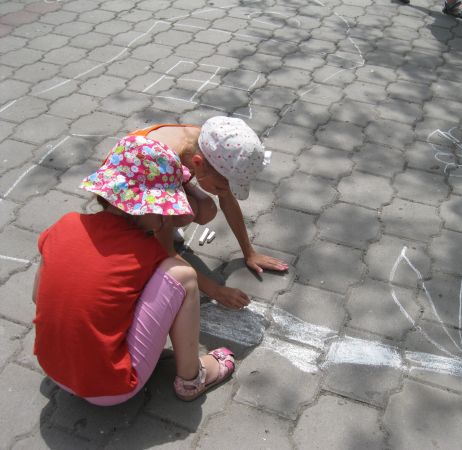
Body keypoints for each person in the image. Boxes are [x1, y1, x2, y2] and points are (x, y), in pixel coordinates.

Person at [33, 135, 234, 405]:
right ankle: (191, 379)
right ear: (146, 208)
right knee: (182, 276)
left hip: (52, 368)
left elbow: (37, 296)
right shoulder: (147, 250)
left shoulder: (64, 224)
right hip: (111, 388)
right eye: (164, 211)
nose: (168, 219)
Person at [126, 116, 289, 310]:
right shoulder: (162, 166)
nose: (223, 192)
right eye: (219, 187)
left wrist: (249, 253)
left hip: (158, 176)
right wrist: (215, 290)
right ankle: (142, 230)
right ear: (198, 163)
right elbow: (166, 250)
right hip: (129, 190)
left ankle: (162, 221)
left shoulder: (206, 143)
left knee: (205, 210)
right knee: (182, 218)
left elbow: (227, 199)